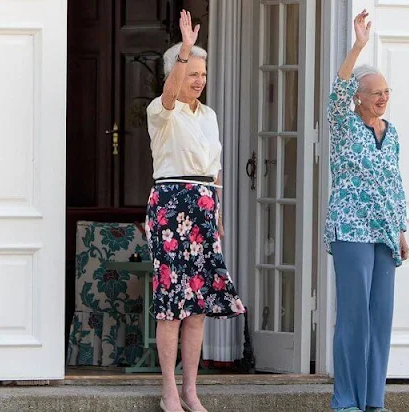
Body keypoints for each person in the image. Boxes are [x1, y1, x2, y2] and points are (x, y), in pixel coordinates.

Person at [145, 10, 245, 412]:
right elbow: (170, 95)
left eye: (203, 73)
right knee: (172, 305)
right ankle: (168, 390)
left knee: (198, 306)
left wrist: (217, 212)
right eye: (191, 73)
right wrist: (184, 48)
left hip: (203, 208)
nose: (199, 80)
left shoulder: (210, 116)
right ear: (176, 74)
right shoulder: (161, 110)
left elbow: (215, 169)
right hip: (170, 207)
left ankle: (191, 390)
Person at [323, 9, 409, 412]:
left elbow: (394, 184)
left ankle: (374, 400)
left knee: (381, 320)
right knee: (354, 319)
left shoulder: (389, 135)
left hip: (385, 233)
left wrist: (402, 230)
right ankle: (346, 401)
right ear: (358, 96)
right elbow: (338, 87)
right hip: (351, 229)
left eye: (386, 92)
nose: (382, 97)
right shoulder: (344, 123)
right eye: (375, 91)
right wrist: (358, 46)